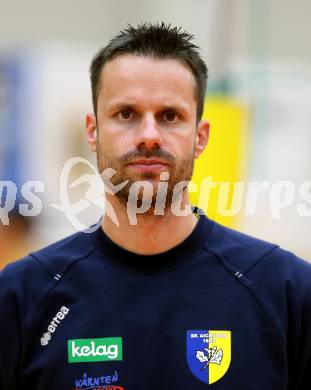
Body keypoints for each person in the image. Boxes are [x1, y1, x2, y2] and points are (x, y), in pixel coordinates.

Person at [0, 22, 310, 390]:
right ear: (93, 130)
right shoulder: (21, 296)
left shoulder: (287, 292)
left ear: (200, 137)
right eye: (126, 114)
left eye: (170, 116)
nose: (149, 135)